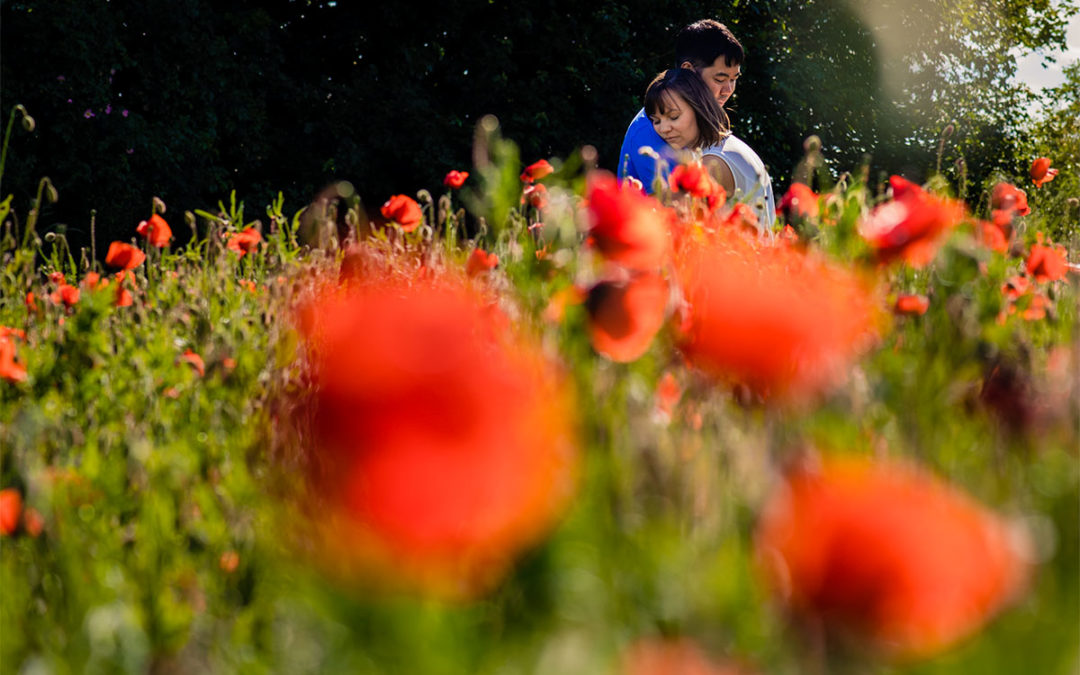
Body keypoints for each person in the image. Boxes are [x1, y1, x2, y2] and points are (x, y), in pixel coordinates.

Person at [643, 68, 776, 226]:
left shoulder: (714, 162)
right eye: (656, 121)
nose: (664, 128)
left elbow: (674, 223)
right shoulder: (727, 147)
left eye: (674, 117)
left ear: (699, 108)